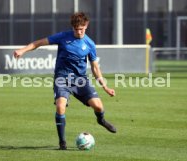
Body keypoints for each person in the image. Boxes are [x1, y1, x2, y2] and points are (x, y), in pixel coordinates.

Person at [14, 12, 116, 150]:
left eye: (82, 29)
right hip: (62, 78)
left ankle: (101, 120)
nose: (79, 32)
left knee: (98, 107)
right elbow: (39, 43)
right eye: (76, 29)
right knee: (60, 106)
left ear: (86, 26)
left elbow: (95, 68)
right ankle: (62, 143)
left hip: (81, 80)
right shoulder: (63, 37)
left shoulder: (90, 44)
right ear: (72, 27)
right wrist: (23, 50)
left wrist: (105, 87)